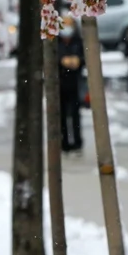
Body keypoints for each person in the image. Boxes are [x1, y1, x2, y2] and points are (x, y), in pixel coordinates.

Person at [57, 16, 86, 154]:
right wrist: (62, 62)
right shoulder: (56, 42)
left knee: (75, 114)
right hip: (60, 83)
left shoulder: (78, 42)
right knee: (62, 115)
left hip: (75, 83)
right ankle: (64, 142)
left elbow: (84, 57)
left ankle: (77, 141)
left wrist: (78, 61)